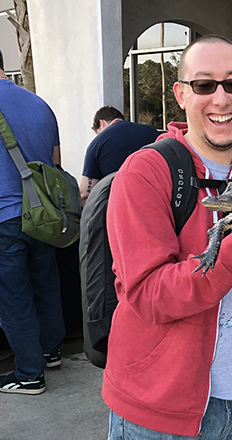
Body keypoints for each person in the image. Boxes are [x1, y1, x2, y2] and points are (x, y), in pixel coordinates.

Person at [102, 35, 232, 439]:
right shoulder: (146, 172)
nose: (221, 99)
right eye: (204, 85)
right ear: (181, 94)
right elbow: (149, 296)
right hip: (159, 410)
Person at [0, 48, 66, 394]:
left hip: (4, 216)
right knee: (45, 282)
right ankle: (51, 350)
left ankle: (29, 373)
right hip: (44, 214)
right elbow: (54, 161)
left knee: (12, 295)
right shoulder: (39, 104)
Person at [79, 106, 159, 204]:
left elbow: (85, 193)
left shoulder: (97, 143)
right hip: (155, 202)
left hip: (118, 207)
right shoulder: (152, 133)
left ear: (101, 123)